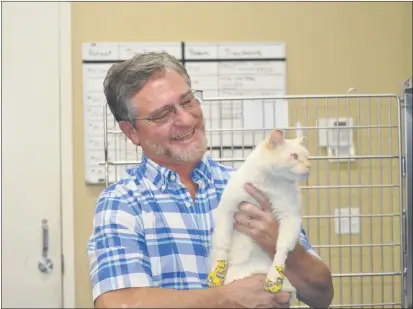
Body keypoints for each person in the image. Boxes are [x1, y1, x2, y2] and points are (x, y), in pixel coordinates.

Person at [87, 51, 334, 308]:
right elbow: (117, 303)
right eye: (162, 115)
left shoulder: (251, 186)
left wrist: (280, 244)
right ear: (131, 132)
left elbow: (321, 294)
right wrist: (227, 298)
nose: (185, 119)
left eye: (188, 101)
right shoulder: (122, 202)